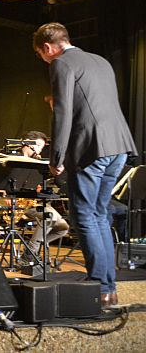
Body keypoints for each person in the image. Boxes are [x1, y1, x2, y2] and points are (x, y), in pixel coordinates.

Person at [33, 22, 136, 307]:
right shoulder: (101, 61)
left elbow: (63, 112)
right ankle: (108, 289)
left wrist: (56, 157)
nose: (45, 61)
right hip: (118, 145)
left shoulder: (61, 63)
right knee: (99, 214)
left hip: (91, 147)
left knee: (83, 215)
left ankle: (100, 287)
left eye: (41, 56)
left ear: (47, 48)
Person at [12, 131, 70, 264]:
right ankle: (30, 253)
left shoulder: (37, 164)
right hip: (16, 203)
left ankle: (32, 247)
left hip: (32, 202)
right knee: (49, 217)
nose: (39, 150)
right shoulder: (13, 159)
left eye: (41, 148)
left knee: (63, 228)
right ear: (27, 142)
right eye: (37, 146)